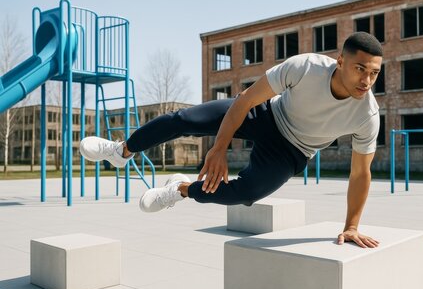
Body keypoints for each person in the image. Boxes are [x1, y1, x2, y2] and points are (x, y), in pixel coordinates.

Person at [80, 32, 382, 248]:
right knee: (184, 119)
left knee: (247, 193)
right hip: (263, 113)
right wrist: (219, 148)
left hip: (293, 150)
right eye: (360, 69)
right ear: (340, 61)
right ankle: (121, 150)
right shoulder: (305, 67)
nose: (366, 81)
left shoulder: (367, 114)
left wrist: (352, 226)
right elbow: (246, 100)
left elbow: (360, 173)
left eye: (374, 73)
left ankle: (180, 190)